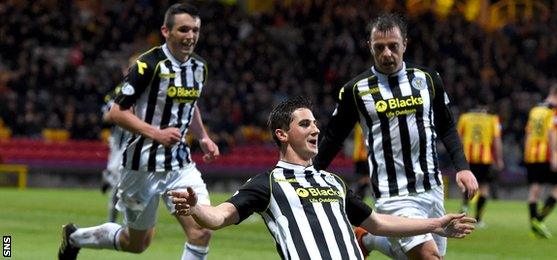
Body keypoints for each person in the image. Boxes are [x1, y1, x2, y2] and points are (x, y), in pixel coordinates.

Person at [169, 96, 476, 259]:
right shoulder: (268, 183)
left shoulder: (333, 182)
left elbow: (379, 223)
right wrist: (195, 208)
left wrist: (436, 224)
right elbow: (219, 217)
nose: (316, 129)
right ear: (282, 134)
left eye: (315, 124)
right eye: (305, 124)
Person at [58, 3, 220, 260]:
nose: (191, 36)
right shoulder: (148, 64)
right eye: (184, 29)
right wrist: (156, 133)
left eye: (195, 30)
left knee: (201, 232)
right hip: (141, 166)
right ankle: (74, 237)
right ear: (166, 31)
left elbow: (190, 104)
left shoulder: (199, 67)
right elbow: (116, 112)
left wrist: (203, 137)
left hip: (180, 166)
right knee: (137, 243)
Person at [313, 13, 478, 259]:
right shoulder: (355, 91)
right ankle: (372, 235)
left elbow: (446, 126)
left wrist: (462, 168)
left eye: (393, 46)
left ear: (405, 45)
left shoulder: (428, 79)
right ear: (370, 47)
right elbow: (333, 139)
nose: (387, 54)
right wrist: (308, 175)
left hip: (432, 188)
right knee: (428, 257)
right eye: (379, 48)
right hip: (393, 194)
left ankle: (368, 237)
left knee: (413, 255)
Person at [523, 83, 557, 239]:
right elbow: (552, 132)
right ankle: (538, 220)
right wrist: (555, 154)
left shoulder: (535, 110)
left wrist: (526, 153)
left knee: (535, 190)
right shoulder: (555, 110)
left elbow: (528, 133)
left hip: (531, 154)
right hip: (545, 155)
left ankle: (534, 227)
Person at [100, 54, 140, 223]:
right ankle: (112, 223)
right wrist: (123, 114)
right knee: (119, 185)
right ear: (126, 71)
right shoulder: (119, 91)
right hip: (121, 145)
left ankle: (130, 226)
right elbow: (106, 117)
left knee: (132, 187)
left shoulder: (149, 92)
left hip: (139, 144)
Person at [457, 105, 504, 228]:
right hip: (485, 159)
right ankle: (478, 219)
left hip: (467, 158)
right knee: (484, 188)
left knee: (467, 184)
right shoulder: (492, 119)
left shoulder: (464, 118)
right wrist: (499, 159)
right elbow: (497, 140)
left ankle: (464, 210)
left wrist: (458, 158)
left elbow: (458, 139)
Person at [352, 123, 371, 199]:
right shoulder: (362, 124)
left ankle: (357, 195)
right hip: (363, 157)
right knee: (366, 179)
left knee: (364, 179)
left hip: (360, 157)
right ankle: (356, 195)